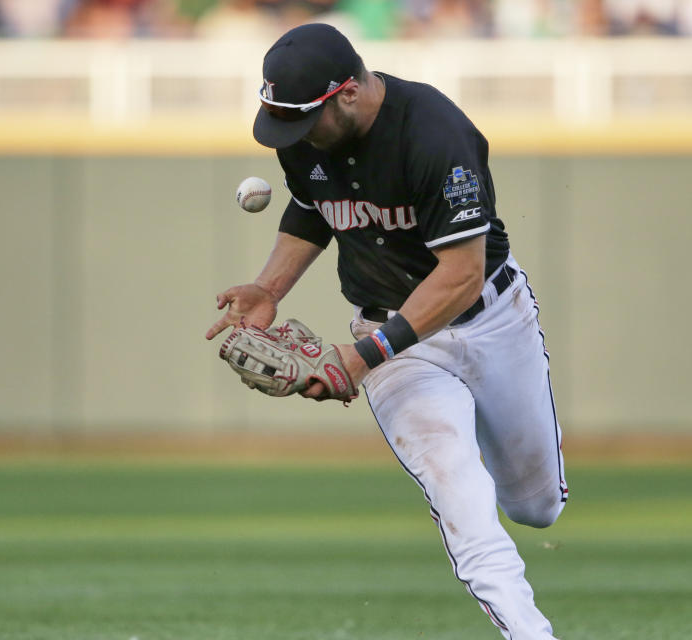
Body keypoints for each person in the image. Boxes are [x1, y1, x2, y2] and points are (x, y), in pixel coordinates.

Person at [205, 23, 568, 640]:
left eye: (303, 121)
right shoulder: (304, 132)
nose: (293, 138)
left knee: (536, 508)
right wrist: (269, 288)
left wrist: (360, 358)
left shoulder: (433, 132)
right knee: (461, 499)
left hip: (490, 318)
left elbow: (460, 275)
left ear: (347, 92)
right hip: (395, 344)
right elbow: (314, 204)